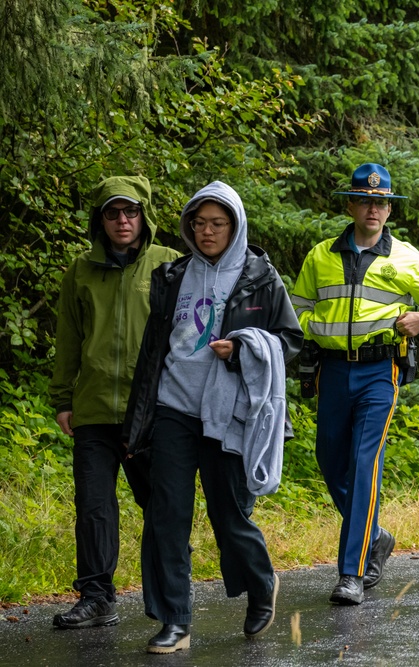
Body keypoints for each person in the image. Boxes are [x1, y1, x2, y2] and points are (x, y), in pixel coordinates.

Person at [124, 181, 302, 653]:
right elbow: (153, 350)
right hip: (173, 409)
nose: (207, 232)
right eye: (199, 223)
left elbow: (290, 342)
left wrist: (244, 347)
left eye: (217, 224)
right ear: (188, 225)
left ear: (235, 225)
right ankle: (174, 621)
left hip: (230, 413)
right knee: (167, 515)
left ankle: (261, 582)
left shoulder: (261, 277)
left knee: (230, 516)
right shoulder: (172, 276)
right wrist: (139, 417)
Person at [291, 163, 419, 606]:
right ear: (350, 204)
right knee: (330, 459)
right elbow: (296, 310)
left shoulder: (407, 258)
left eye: (381, 202)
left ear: (389, 209)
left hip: (381, 371)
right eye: (365, 200)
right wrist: (318, 328)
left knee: (365, 463)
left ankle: (353, 571)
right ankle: (376, 535)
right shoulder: (320, 255)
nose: (373, 209)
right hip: (332, 370)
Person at [50, 176, 181, 629]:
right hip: (93, 410)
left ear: (145, 215)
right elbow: (68, 339)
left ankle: (169, 597)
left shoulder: (169, 265)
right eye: (112, 213)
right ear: (100, 219)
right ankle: (96, 596)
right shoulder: (80, 270)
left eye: (131, 212)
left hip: (154, 411)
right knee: (93, 506)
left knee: (161, 504)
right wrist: (63, 399)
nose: (123, 221)